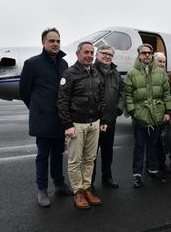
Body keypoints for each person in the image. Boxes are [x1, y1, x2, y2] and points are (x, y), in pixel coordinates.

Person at [19, 28, 72, 208]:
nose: (55, 44)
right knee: (43, 156)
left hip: (60, 119)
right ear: (43, 43)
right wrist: (37, 109)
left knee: (58, 154)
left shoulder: (64, 64)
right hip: (42, 119)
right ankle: (42, 189)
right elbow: (24, 92)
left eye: (57, 41)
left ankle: (59, 184)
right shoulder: (32, 64)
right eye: (51, 41)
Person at [57, 41, 109, 209]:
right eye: (86, 52)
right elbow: (62, 101)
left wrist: (103, 120)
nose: (89, 55)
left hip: (94, 123)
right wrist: (67, 125)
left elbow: (101, 98)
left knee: (90, 159)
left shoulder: (95, 73)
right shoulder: (70, 74)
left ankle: (87, 188)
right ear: (78, 54)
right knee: (74, 161)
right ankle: (78, 192)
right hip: (76, 125)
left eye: (91, 52)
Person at [124, 43, 171, 188]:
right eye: (143, 53)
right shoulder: (131, 73)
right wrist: (134, 112)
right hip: (140, 116)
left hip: (157, 115)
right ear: (139, 55)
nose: (146, 55)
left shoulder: (160, 72)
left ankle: (154, 170)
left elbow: (166, 93)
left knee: (154, 145)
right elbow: (128, 96)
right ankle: (137, 175)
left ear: (151, 55)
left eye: (149, 53)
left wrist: (168, 111)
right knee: (139, 146)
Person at [91, 45, 125, 189]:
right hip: (93, 121)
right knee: (91, 154)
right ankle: (89, 182)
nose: (107, 56)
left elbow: (122, 92)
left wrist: (118, 109)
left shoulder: (115, 74)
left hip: (110, 120)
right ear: (97, 55)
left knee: (107, 151)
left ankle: (107, 177)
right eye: (104, 53)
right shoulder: (90, 71)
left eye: (110, 54)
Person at [153, 52, 171, 173]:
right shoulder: (151, 74)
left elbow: (168, 95)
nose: (162, 64)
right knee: (154, 141)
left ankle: (162, 164)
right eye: (159, 61)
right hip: (154, 113)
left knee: (164, 140)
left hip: (165, 113)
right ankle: (153, 166)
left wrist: (169, 111)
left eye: (164, 61)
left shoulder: (165, 75)